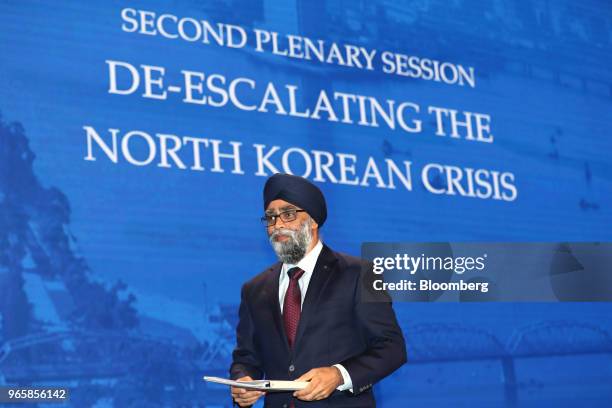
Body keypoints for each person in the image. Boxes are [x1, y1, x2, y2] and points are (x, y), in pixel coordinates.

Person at [230, 173, 406, 407]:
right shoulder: (253, 289)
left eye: (288, 214)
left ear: (313, 220)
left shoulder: (360, 273)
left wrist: (338, 375)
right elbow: (246, 357)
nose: (277, 225)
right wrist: (243, 380)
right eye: (270, 218)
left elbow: (392, 348)